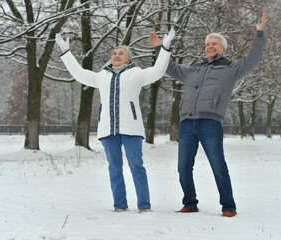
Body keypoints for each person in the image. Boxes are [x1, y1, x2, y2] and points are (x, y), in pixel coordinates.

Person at [149, 12, 267, 217]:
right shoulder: (194, 70)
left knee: (218, 166)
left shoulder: (230, 69)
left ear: (223, 49)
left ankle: (228, 207)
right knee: (183, 167)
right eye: (207, 44)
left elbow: (252, 60)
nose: (210, 46)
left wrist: (259, 34)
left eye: (214, 44)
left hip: (210, 123)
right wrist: (161, 48)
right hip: (187, 122)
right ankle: (190, 203)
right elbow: (170, 68)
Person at [55, 29, 175, 213]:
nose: (116, 55)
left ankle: (144, 205)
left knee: (137, 167)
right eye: (114, 53)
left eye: (121, 53)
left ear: (128, 58)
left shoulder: (137, 74)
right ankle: (119, 205)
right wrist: (66, 52)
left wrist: (164, 48)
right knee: (114, 168)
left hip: (131, 128)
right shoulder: (102, 76)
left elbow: (159, 71)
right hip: (108, 130)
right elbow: (79, 73)